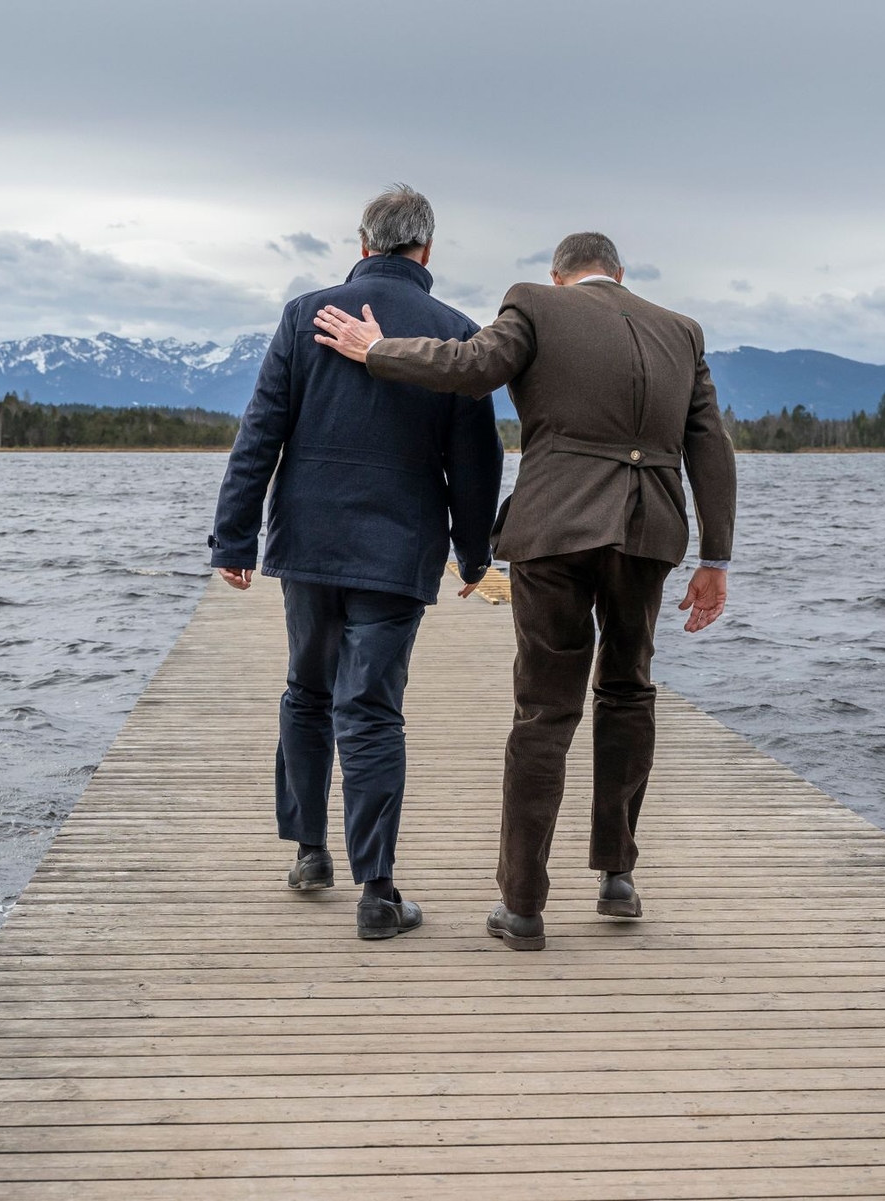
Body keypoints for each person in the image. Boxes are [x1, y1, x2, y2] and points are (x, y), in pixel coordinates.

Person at [313, 231, 736, 951]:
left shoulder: (534, 305)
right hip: (649, 533)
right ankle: (617, 877)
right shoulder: (681, 330)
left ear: (558, 275)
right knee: (629, 691)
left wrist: (375, 350)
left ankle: (524, 907)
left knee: (545, 709)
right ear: (620, 275)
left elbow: (471, 366)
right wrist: (715, 557)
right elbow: (711, 447)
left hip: (556, 528)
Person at [208, 185, 502, 940]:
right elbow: (476, 464)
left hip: (307, 544)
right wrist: (475, 555)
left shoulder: (304, 314)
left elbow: (260, 433)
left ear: (363, 241)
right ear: (426, 251)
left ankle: (310, 853)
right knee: (371, 709)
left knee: (307, 691)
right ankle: (378, 892)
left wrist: (234, 540)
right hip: (399, 551)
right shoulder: (456, 334)